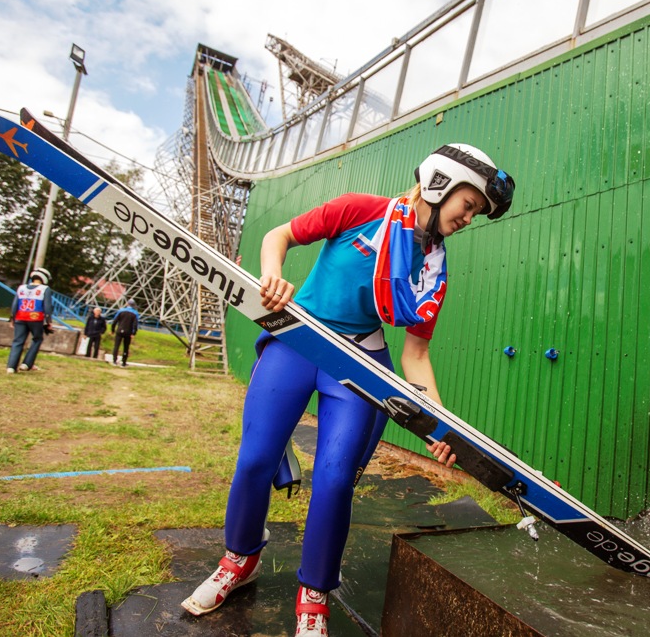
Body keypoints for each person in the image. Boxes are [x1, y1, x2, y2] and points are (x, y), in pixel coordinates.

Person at [181, 143, 515, 637]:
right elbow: (280, 236)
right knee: (254, 459)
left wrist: (440, 424)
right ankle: (240, 559)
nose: (469, 218)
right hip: (298, 339)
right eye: (470, 205)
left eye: (477, 213)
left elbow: (415, 356)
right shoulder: (360, 209)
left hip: (360, 362)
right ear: (441, 181)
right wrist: (271, 277)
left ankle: (314, 591)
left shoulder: (432, 267)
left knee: (335, 481)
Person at [7, 267, 54, 373]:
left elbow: (15, 304)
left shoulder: (21, 288)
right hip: (35, 318)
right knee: (37, 339)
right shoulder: (45, 289)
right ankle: (26, 363)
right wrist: (48, 321)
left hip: (20, 317)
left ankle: (11, 367)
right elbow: (47, 307)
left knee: (18, 341)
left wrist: (12, 318)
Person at [110, 299, 139, 366]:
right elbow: (135, 324)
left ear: (127, 304)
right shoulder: (135, 313)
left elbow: (115, 321)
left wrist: (112, 330)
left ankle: (114, 360)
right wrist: (133, 333)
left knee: (116, 346)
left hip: (119, 330)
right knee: (126, 347)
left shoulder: (121, 311)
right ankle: (123, 362)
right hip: (128, 332)